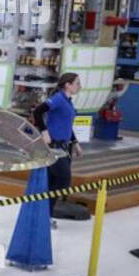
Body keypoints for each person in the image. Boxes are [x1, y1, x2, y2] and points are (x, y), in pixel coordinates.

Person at [33, 72, 83, 228]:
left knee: (54, 182)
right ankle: (43, 215)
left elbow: (67, 125)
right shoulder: (58, 99)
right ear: (67, 85)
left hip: (65, 146)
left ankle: (44, 216)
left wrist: (75, 142)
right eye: (76, 83)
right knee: (62, 180)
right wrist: (44, 131)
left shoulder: (68, 102)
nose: (79, 86)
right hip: (55, 147)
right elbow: (38, 112)